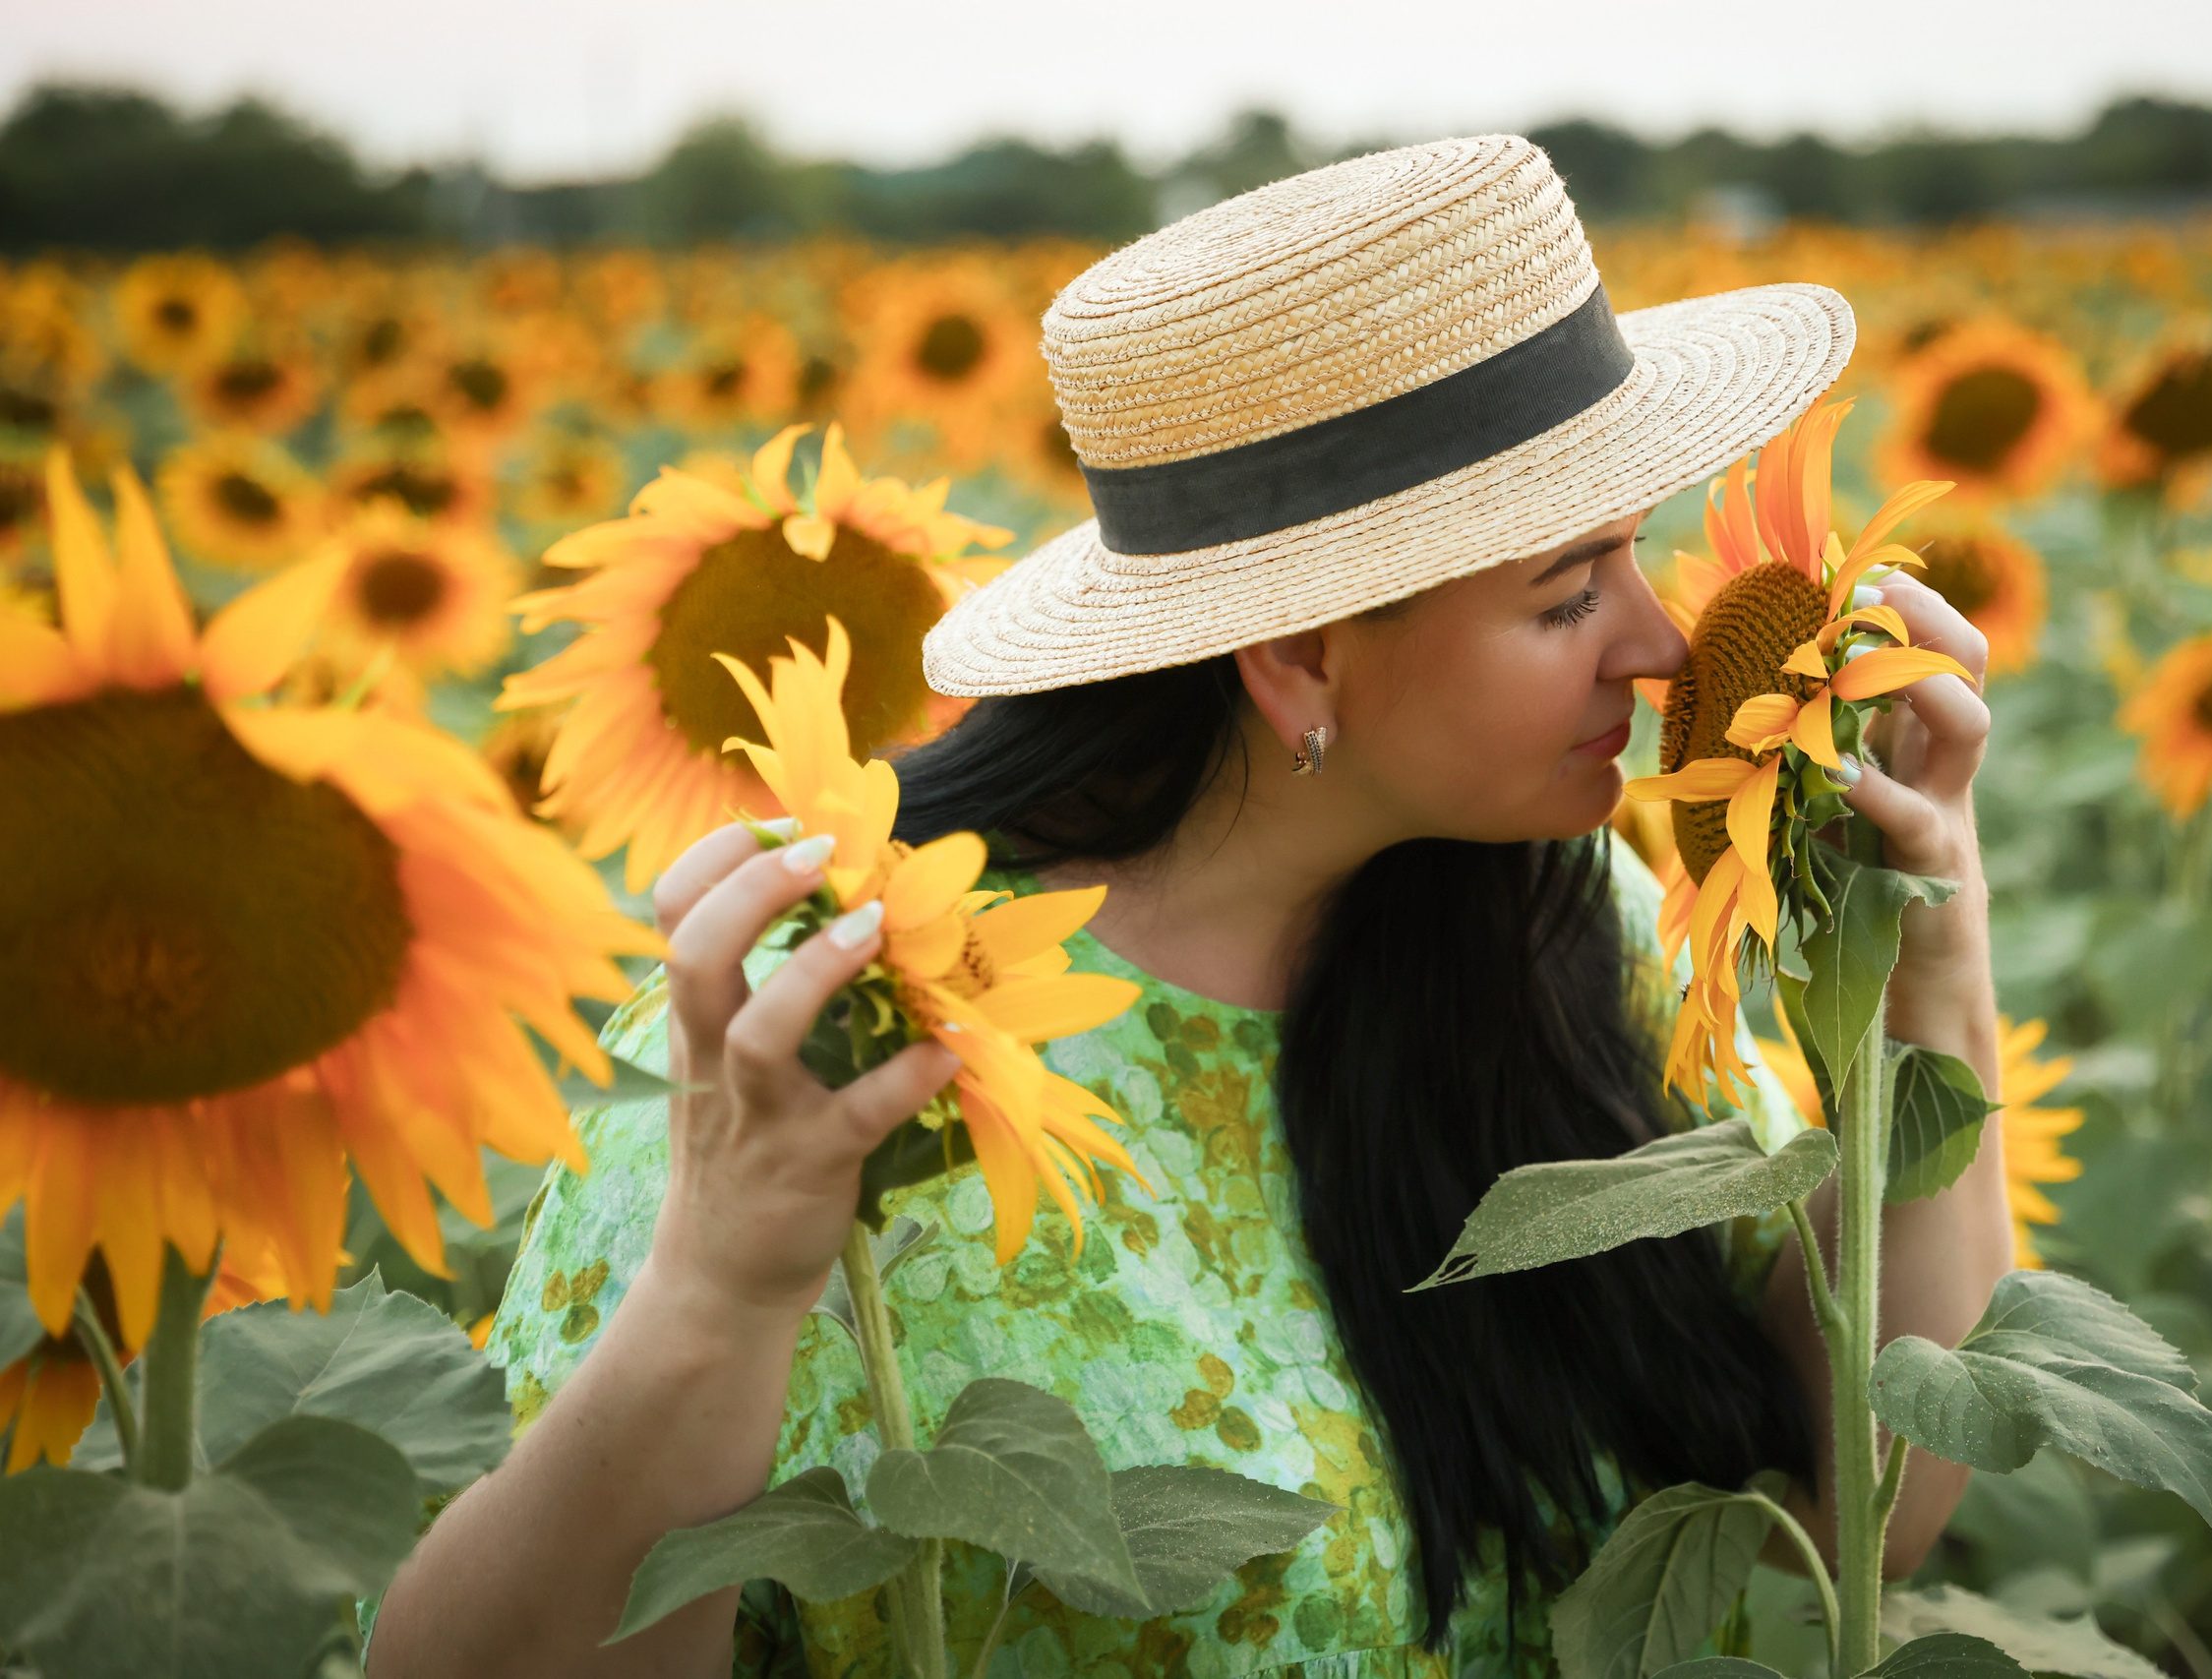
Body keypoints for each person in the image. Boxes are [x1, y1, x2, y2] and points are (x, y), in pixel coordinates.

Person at [371, 134, 2010, 1679]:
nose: (1658, 646)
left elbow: (1851, 1514)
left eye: (1629, 560)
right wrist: (720, 1295)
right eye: (1568, 594)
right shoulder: (837, 1018)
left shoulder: (1555, 924)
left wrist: (1930, 967)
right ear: (1298, 655)